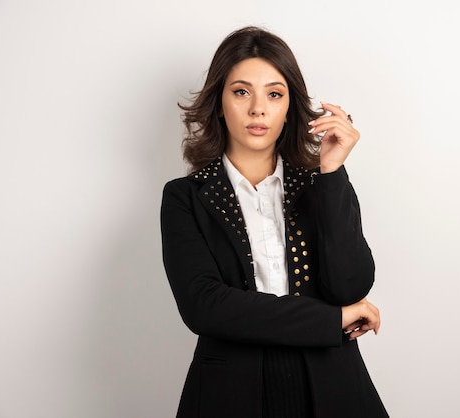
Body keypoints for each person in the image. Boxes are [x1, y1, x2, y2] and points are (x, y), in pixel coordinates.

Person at [161, 26, 389, 417]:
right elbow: (205, 307)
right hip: (230, 391)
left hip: (331, 384)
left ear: (289, 107)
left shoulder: (321, 186)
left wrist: (332, 172)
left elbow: (350, 285)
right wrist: (329, 320)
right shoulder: (185, 197)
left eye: (274, 94)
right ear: (219, 103)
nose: (258, 109)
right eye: (241, 91)